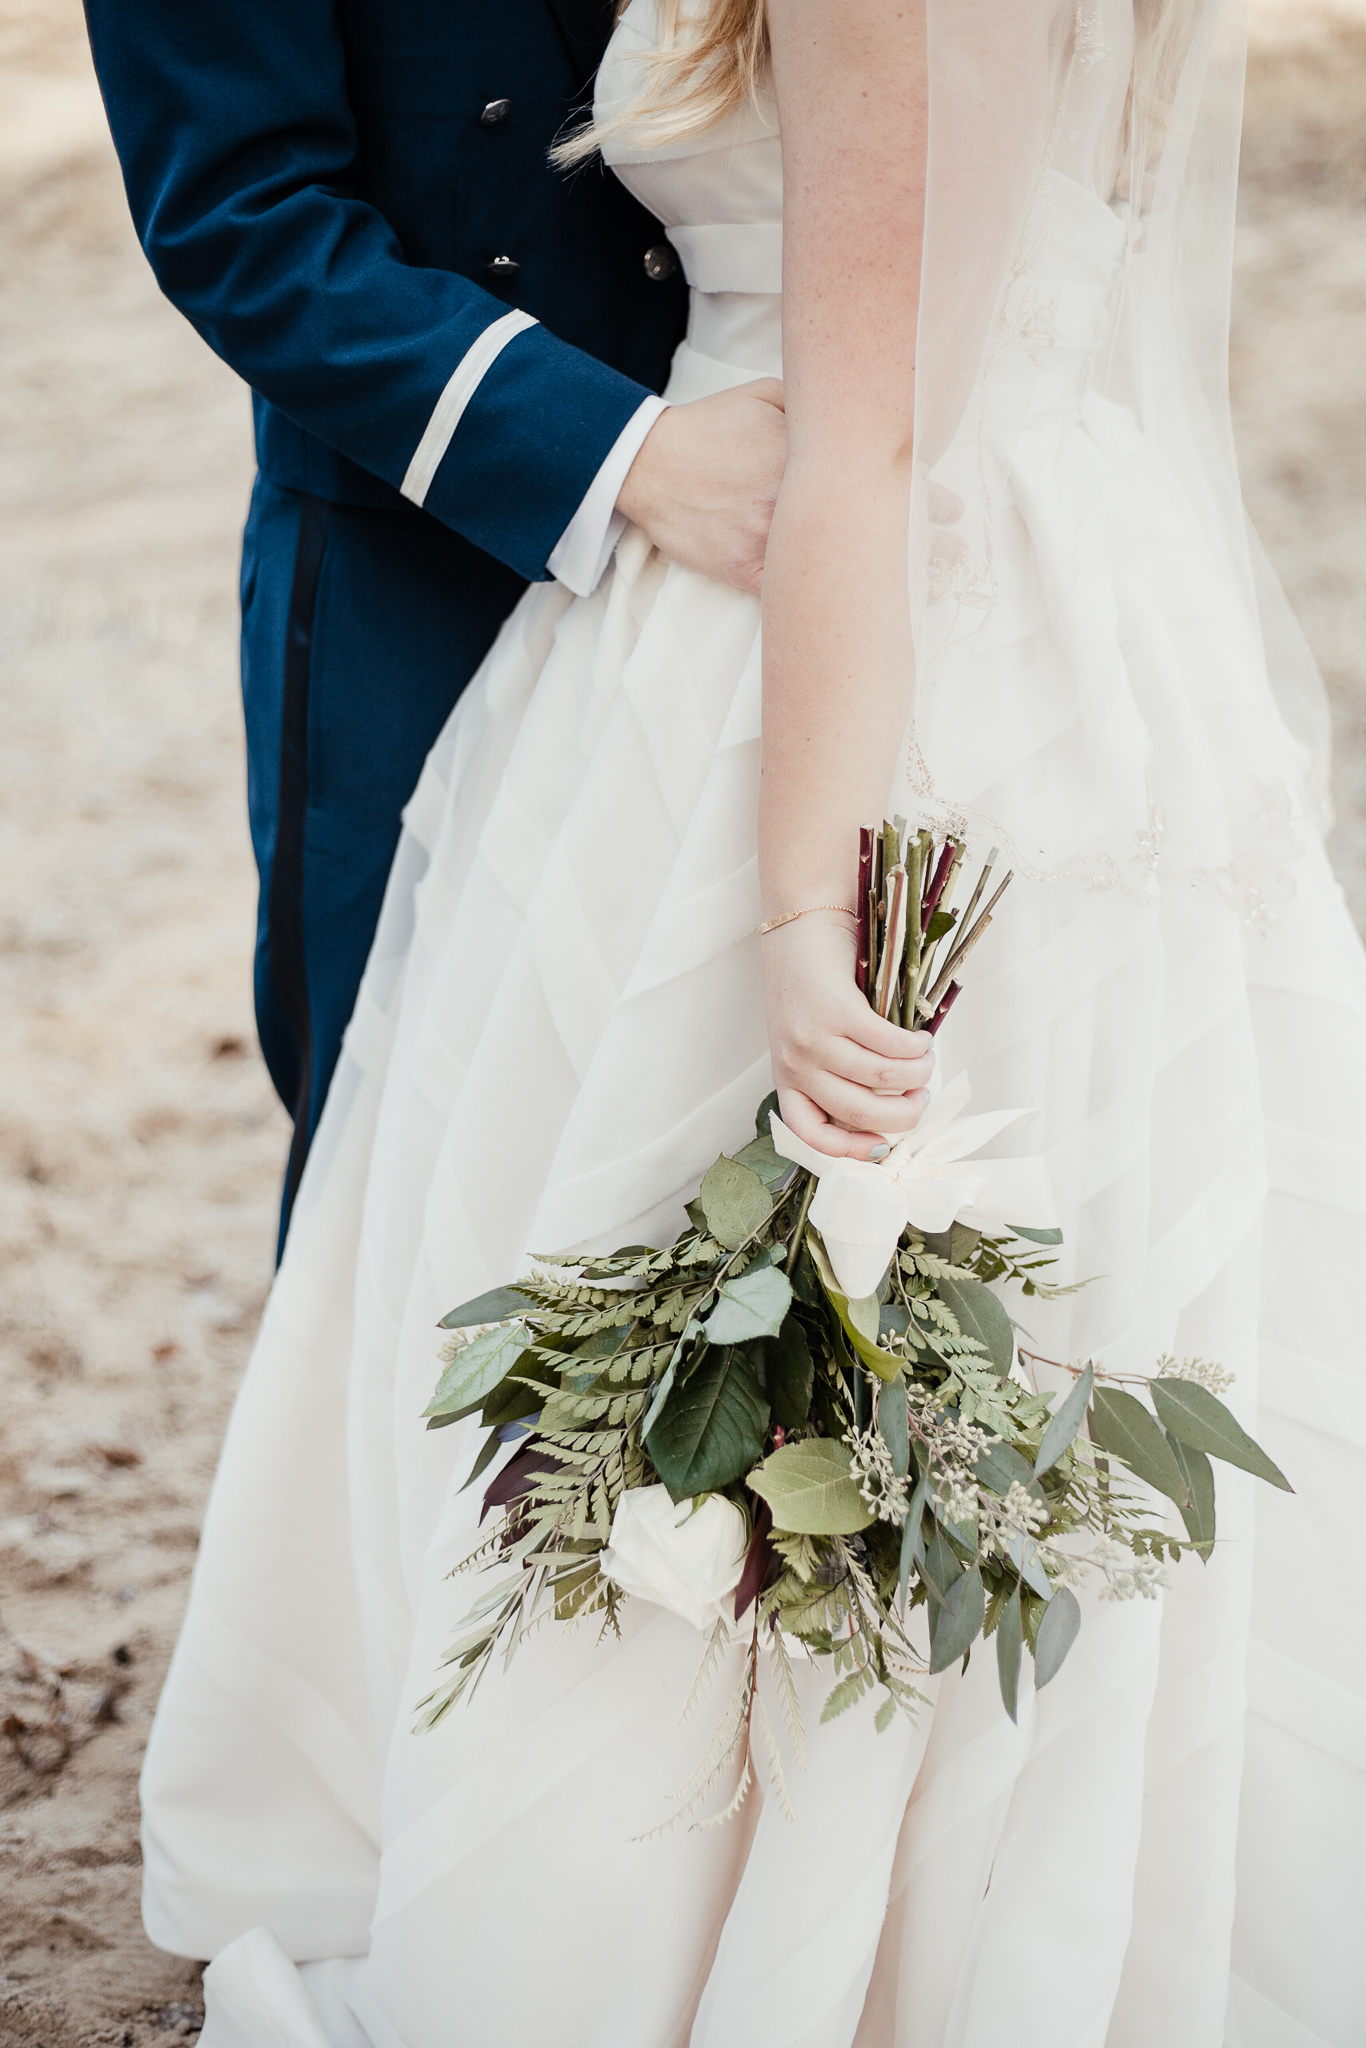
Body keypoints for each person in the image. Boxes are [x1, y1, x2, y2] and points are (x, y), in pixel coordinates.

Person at [138, 0, 1366, 2042]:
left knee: (776, 1237)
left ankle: (809, 1870)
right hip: (512, 546)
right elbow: (246, 209)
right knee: (521, 1232)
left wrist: (808, 902)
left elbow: (885, 389)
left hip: (848, 594)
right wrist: (619, 460)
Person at [83, 0, 787, 1245]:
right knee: (419, 1168)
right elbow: (242, 218)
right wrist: (622, 458)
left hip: (796, 503)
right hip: (427, 558)